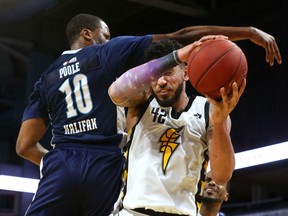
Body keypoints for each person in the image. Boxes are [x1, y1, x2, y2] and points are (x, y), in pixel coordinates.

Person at [15, 13, 281, 216]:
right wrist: (246, 32)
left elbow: (24, 145)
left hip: (64, 158)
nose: (108, 40)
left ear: (186, 74)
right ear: (88, 34)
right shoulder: (113, 62)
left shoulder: (45, 77)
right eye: (105, 35)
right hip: (108, 164)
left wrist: (59, 165)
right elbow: (182, 35)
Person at [108, 38, 244, 215]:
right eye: (155, 75)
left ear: (186, 73)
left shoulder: (210, 110)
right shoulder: (141, 101)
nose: (161, 81)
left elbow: (221, 175)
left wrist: (219, 123)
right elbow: (115, 94)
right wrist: (177, 56)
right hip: (134, 212)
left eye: (168, 73)